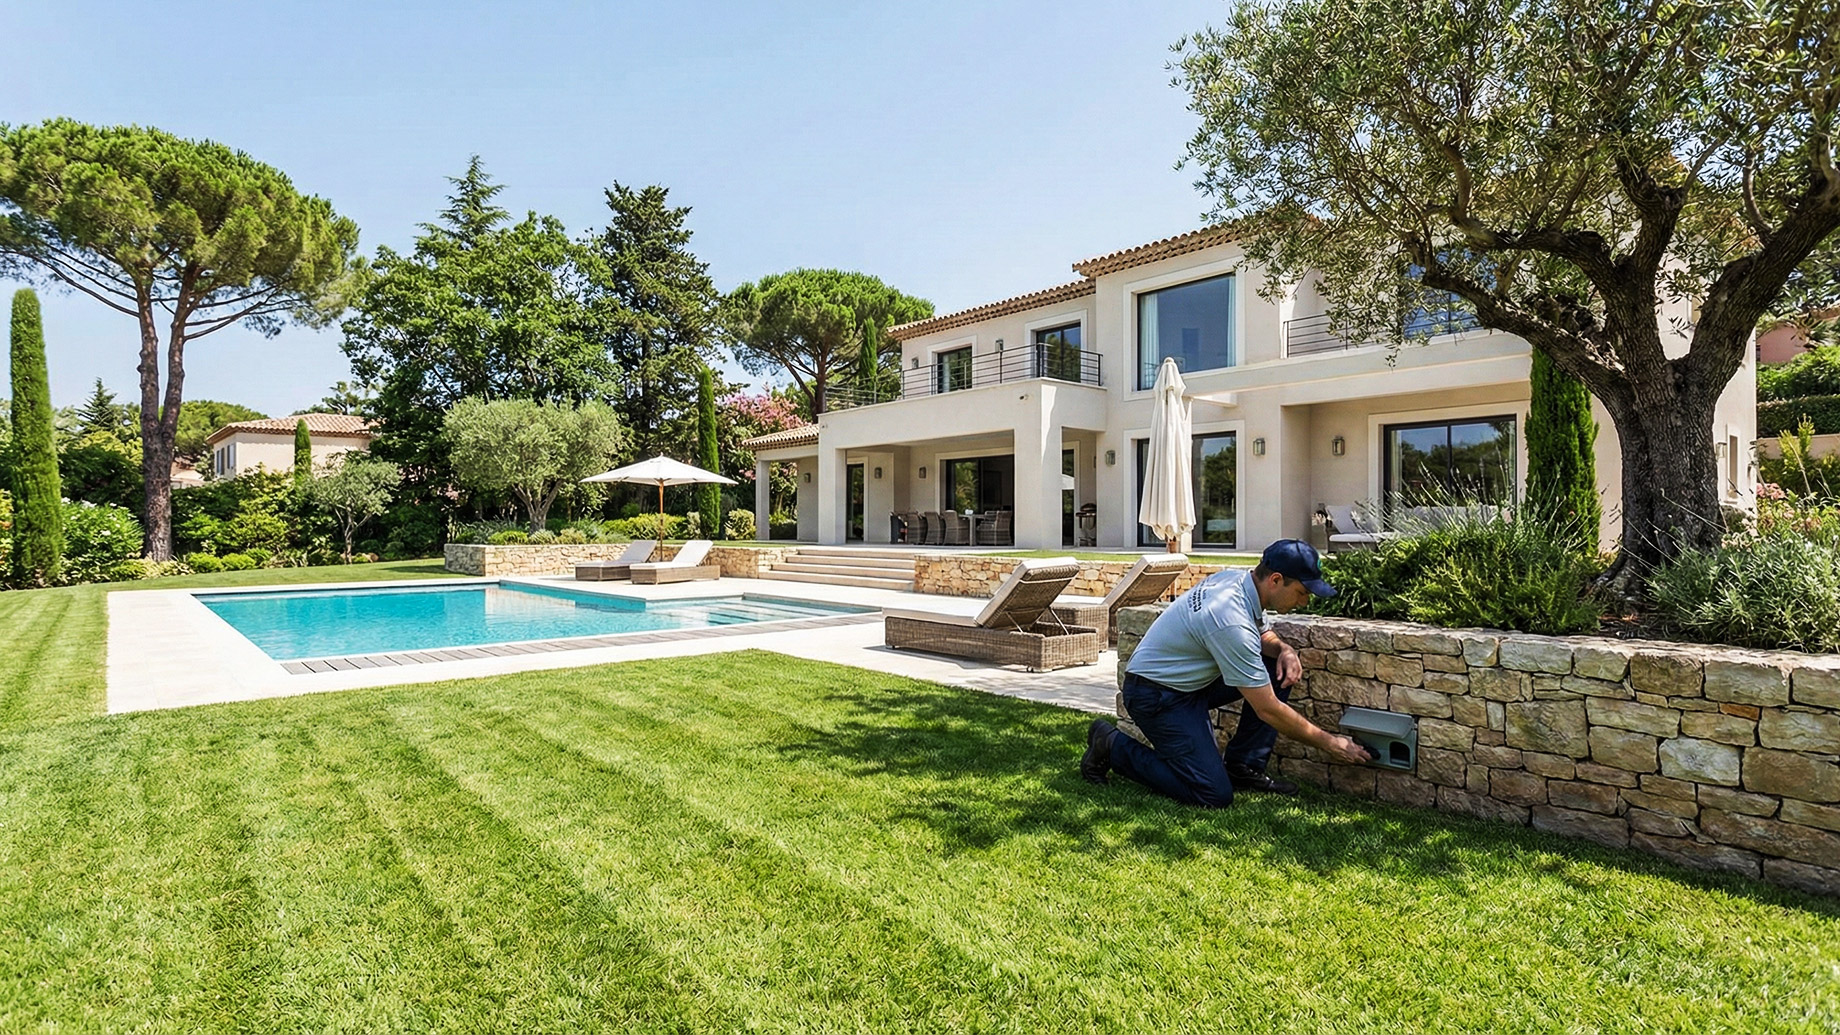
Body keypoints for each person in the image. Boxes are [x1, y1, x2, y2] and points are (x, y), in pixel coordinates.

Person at [1081, 538, 1372, 806]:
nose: (1305, 602)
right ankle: (1111, 744)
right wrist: (1331, 743)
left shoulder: (1237, 581)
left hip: (1187, 685)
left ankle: (1243, 768)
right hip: (1155, 695)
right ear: (1276, 580)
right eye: (1302, 592)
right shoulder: (1229, 619)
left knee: (1275, 665)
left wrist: (1284, 649)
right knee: (1211, 793)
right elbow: (1267, 709)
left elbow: (1261, 636)